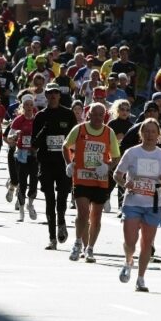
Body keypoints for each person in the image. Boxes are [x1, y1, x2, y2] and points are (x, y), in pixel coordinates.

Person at [115, 118, 161, 291]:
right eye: (146, 131)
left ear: (158, 135)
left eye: (153, 132)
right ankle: (128, 261)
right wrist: (125, 183)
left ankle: (141, 278)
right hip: (133, 201)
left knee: (147, 243)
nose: (149, 135)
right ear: (141, 134)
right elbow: (117, 175)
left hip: (153, 204)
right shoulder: (132, 153)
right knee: (130, 241)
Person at [63, 102, 120, 262]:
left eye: (100, 115)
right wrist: (69, 163)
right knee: (83, 213)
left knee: (96, 217)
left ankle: (90, 249)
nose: (97, 118)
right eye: (94, 114)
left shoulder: (109, 133)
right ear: (89, 115)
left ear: (105, 116)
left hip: (99, 180)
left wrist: (107, 166)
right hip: (81, 178)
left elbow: (116, 157)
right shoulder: (79, 129)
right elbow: (65, 146)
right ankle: (77, 243)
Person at [33, 82, 76, 249]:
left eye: (56, 93)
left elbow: (75, 140)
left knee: (62, 198)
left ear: (59, 95)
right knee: (49, 200)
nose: (53, 96)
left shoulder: (68, 114)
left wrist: (74, 160)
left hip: (64, 163)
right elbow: (34, 144)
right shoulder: (40, 116)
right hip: (46, 163)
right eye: (50, 93)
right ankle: (52, 238)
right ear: (46, 95)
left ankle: (62, 221)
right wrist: (44, 130)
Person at [8, 96, 39, 222]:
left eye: (31, 105)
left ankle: (30, 204)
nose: (29, 107)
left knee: (34, 183)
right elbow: (9, 137)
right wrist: (15, 135)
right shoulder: (18, 120)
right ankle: (21, 211)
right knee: (22, 183)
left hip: (34, 155)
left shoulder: (37, 119)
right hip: (21, 155)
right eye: (26, 105)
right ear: (23, 106)